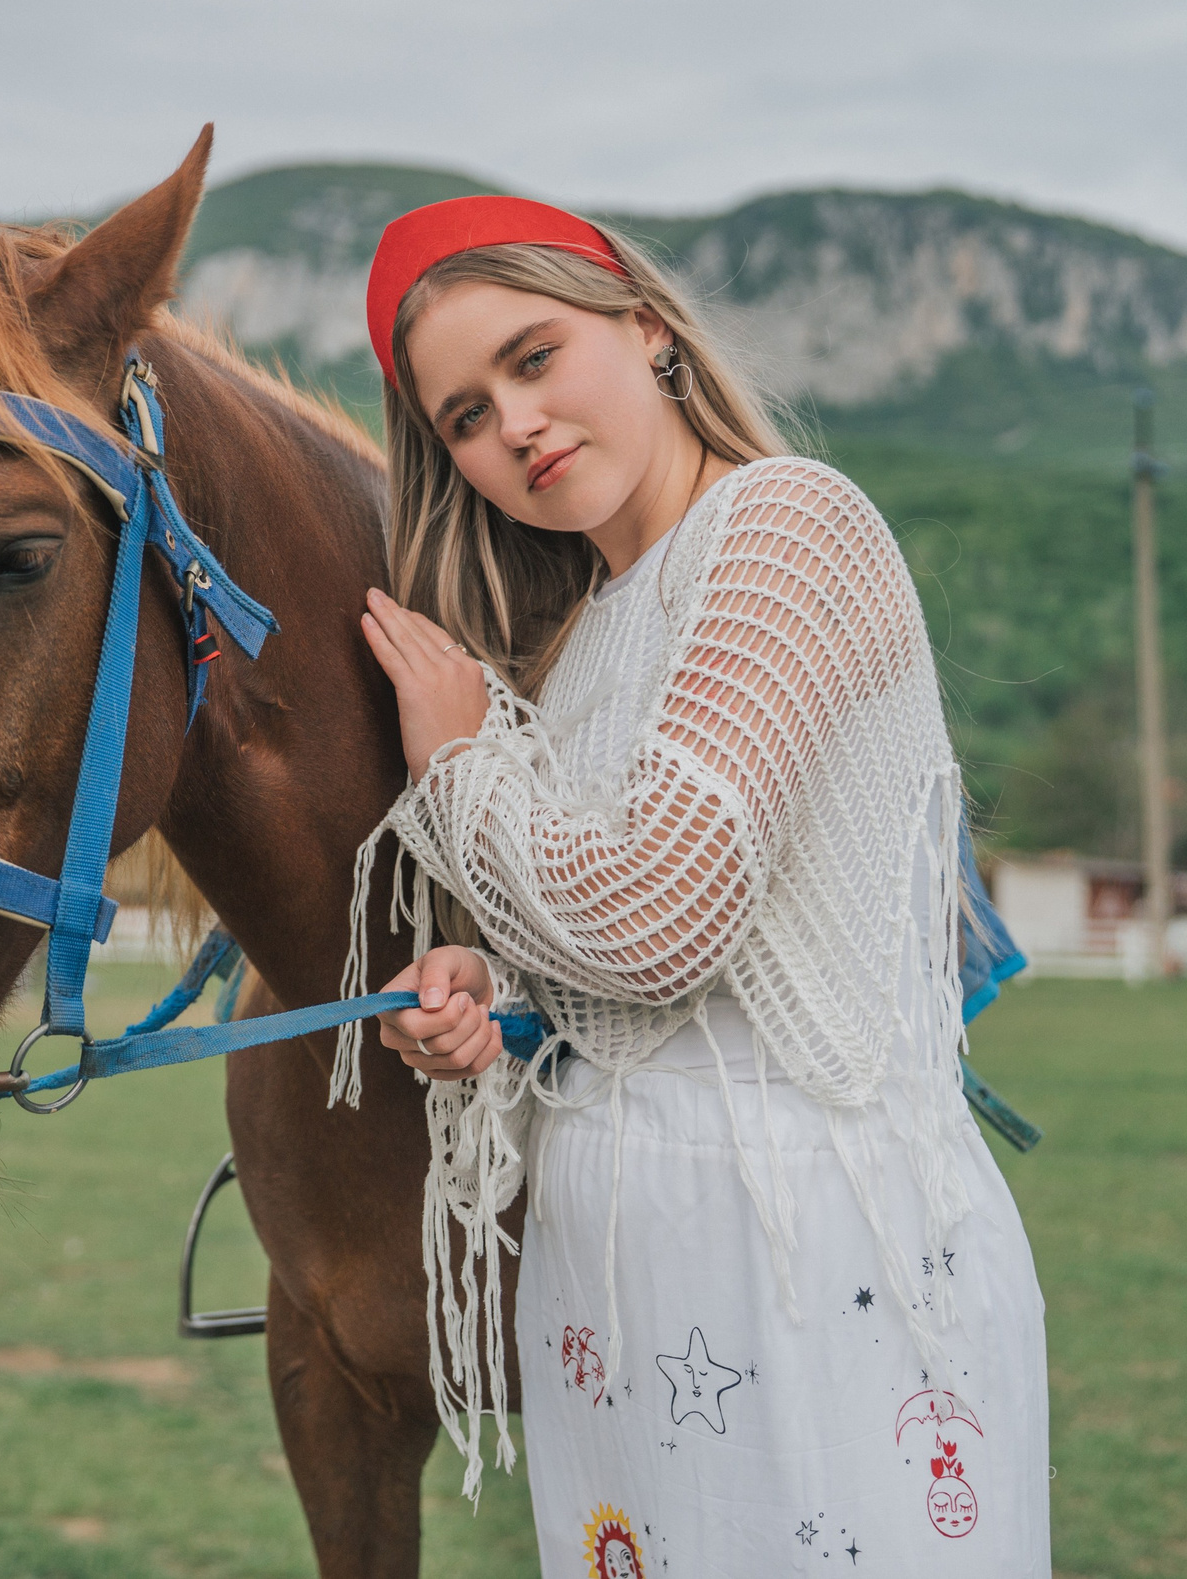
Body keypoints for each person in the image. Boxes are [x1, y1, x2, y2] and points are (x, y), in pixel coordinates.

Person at [343, 197, 1051, 1574]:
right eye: (467, 418)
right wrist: (491, 992)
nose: (517, 427)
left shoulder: (787, 527)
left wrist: (454, 766)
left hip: (811, 1260)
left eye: (534, 357)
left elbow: (659, 919)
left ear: (647, 328)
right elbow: (636, 964)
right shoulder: (586, 639)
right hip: (619, 1279)